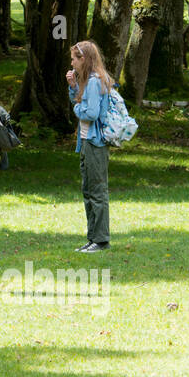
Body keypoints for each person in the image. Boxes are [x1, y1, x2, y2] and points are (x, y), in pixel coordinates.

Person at [65, 40, 112, 253]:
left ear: (84, 59)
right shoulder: (88, 82)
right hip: (86, 142)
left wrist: (77, 106)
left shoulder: (95, 81)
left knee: (97, 191)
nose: (72, 63)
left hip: (95, 143)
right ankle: (92, 237)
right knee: (88, 190)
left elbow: (90, 113)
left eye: (75, 59)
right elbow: (81, 102)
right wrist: (73, 87)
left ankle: (101, 239)